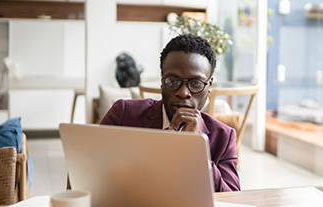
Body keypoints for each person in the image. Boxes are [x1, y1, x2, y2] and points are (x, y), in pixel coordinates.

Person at [100, 34, 240, 192]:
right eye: (173, 81)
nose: (183, 92)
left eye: (195, 83)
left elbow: (234, 200)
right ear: (162, 81)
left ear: (209, 86)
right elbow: (85, 168)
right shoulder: (124, 115)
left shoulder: (223, 137)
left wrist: (198, 152)